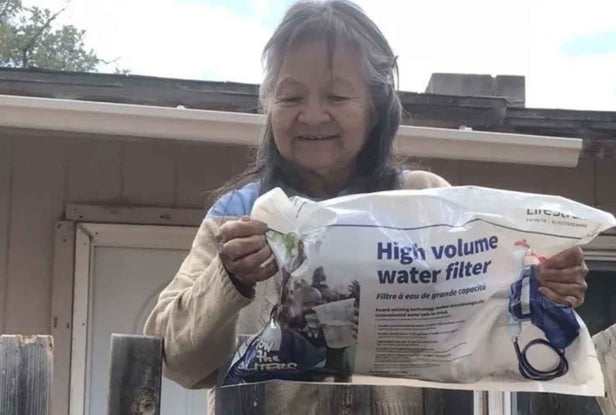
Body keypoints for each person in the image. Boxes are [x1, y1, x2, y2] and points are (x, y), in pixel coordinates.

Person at [144, 1, 589, 413]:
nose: (312, 115)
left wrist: (542, 286)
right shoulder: (237, 218)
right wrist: (229, 278)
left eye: (336, 97)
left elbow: (486, 318)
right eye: (291, 97)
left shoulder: (424, 203)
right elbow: (174, 359)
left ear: (375, 109)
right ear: (269, 107)